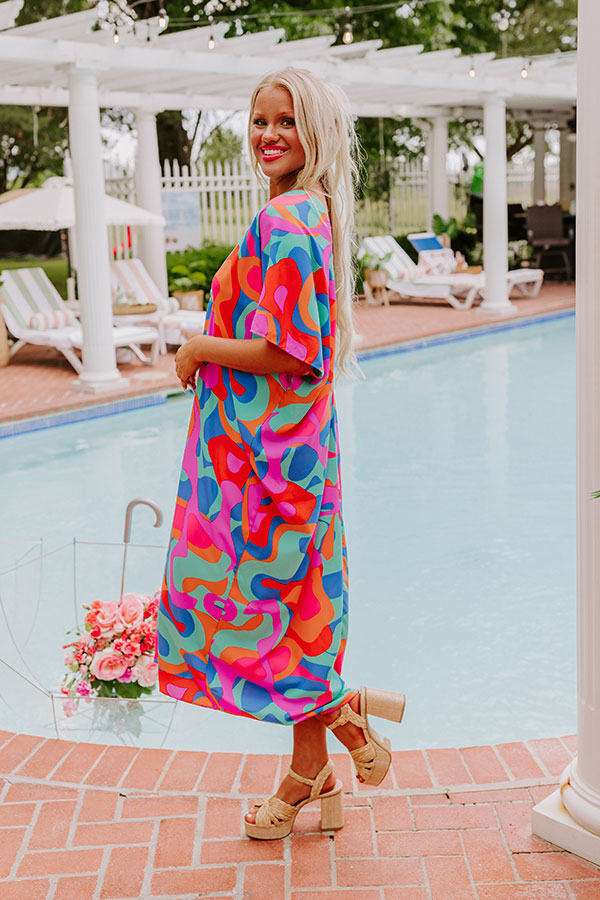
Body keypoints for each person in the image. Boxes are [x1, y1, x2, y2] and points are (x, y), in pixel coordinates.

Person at [156, 66, 405, 841]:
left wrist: (199, 347)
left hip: (267, 469)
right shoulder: (307, 211)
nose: (268, 134)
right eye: (260, 120)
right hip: (287, 458)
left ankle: (346, 718)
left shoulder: (289, 219)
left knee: (248, 611)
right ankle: (310, 772)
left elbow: (293, 353)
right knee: (292, 616)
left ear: (316, 132)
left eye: (286, 121)